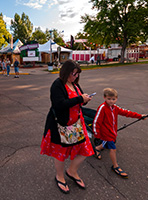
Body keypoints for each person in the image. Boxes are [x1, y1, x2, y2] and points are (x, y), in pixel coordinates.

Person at [41, 60, 93, 194]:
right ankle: (59, 176)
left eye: (77, 74)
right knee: (61, 153)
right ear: (65, 72)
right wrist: (80, 99)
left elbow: (79, 102)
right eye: (73, 74)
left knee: (85, 149)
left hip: (76, 124)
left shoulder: (75, 85)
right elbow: (60, 104)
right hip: (61, 126)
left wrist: (85, 99)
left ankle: (72, 171)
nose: (75, 77)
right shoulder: (57, 85)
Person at [92, 88, 144, 179]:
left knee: (106, 143)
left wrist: (140, 116)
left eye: (113, 99)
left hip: (112, 132)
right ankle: (115, 166)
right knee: (113, 148)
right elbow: (97, 121)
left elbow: (126, 112)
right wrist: (97, 134)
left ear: (116, 98)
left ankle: (97, 148)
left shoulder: (115, 108)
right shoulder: (102, 108)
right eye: (109, 99)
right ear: (104, 98)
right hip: (105, 133)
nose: (111, 101)